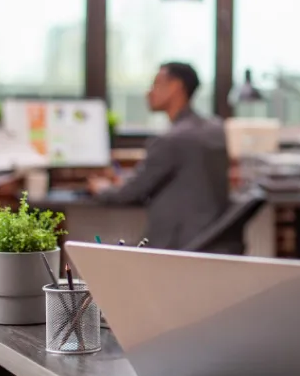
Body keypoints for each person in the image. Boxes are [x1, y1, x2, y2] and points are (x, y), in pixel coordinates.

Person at [88, 63, 229, 251]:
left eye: (156, 84)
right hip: (212, 241)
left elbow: (130, 193)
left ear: (175, 87)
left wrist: (102, 189)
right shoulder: (215, 129)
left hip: (178, 246)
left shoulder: (173, 139)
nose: (149, 92)